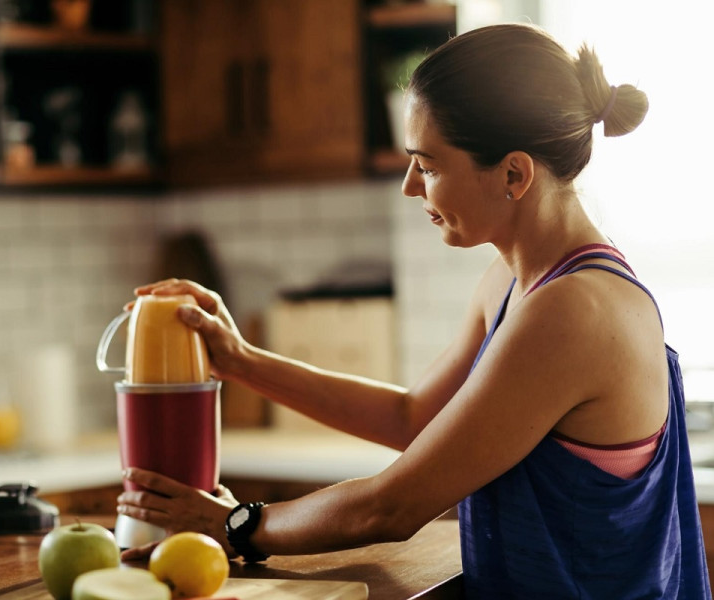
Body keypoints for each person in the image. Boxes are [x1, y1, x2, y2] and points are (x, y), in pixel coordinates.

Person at [116, 23, 711, 598]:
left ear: (513, 173)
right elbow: (414, 419)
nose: (409, 186)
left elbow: (394, 504)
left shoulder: (575, 311)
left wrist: (234, 524)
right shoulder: (512, 281)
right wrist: (242, 361)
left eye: (427, 166)